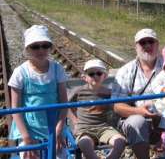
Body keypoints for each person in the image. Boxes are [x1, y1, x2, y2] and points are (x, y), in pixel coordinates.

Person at [111, 28, 165, 159]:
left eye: (151, 41)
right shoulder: (125, 71)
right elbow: (117, 106)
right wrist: (139, 111)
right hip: (137, 118)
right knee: (137, 121)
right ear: (136, 47)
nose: (147, 45)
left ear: (157, 45)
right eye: (143, 42)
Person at [8, 25, 68, 159]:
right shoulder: (20, 73)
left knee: (60, 155)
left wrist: (59, 129)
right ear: (28, 49)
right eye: (35, 46)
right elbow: (15, 109)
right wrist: (26, 137)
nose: (41, 50)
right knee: (29, 155)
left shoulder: (57, 69)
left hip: (54, 127)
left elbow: (64, 103)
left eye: (45, 45)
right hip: (29, 129)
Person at [68, 59, 126, 159]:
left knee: (120, 141)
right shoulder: (78, 92)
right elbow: (67, 107)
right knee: (85, 143)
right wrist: (75, 121)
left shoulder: (109, 93)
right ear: (84, 77)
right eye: (91, 74)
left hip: (104, 128)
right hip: (85, 128)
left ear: (105, 76)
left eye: (99, 73)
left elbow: (119, 105)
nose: (95, 76)